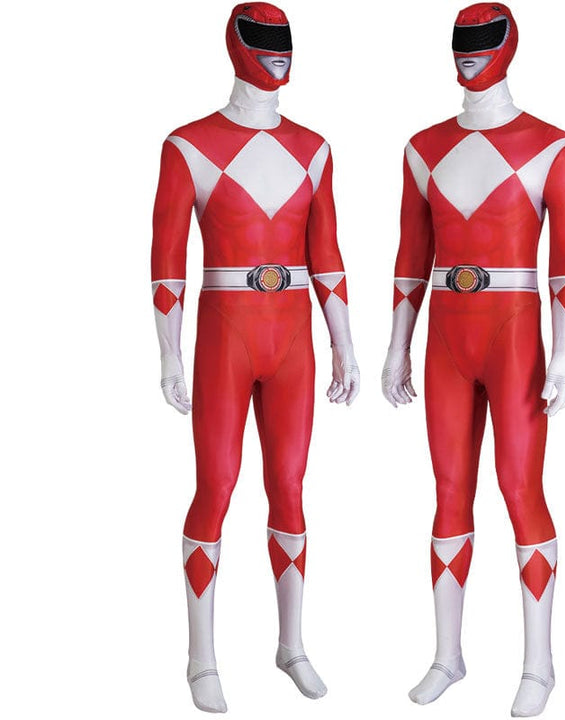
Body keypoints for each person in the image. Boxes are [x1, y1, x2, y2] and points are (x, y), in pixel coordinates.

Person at [151, 3, 360, 712]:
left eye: (284, 43)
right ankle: (201, 657)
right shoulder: (188, 145)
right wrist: (169, 356)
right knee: (216, 485)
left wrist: (343, 344)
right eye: (263, 42)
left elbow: (326, 255)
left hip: (291, 340)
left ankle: (291, 644)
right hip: (225, 334)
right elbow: (167, 261)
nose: (277, 55)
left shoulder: (314, 148)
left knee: (291, 488)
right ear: (236, 47)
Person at [381, 4, 565, 716]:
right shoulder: (422, 148)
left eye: (482, 43)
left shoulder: (553, 147)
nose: (469, 55)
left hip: (514, 334)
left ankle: (539, 665)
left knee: (520, 488)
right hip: (446, 338)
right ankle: (448, 655)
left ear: (506, 47)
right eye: (460, 43)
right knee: (447, 492)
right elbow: (411, 259)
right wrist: (397, 347)